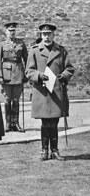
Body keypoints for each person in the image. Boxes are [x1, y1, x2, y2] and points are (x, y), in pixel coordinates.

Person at [26, 22, 74, 161]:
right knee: (45, 123)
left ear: (53, 35)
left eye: (49, 34)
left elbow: (69, 68)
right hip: (42, 92)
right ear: (40, 35)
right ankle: (44, 150)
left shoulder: (61, 50)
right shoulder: (34, 50)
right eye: (44, 34)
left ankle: (55, 150)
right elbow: (29, 71)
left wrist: (64, 76)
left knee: (54, 122)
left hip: (57, 91)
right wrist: (39, 76)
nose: (46, 37)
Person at [0, 21, 28, 132]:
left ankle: (16, 123)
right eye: (10, 30)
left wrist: (26, 74)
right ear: (6, 31)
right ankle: (8, 124)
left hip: (18, 73)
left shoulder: (21, 43)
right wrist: (0, 77)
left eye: (13, 30)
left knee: (16, 99)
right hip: (6, 74)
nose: (12, 32)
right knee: (8, 99)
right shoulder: (1, 44)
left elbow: (27, 60)